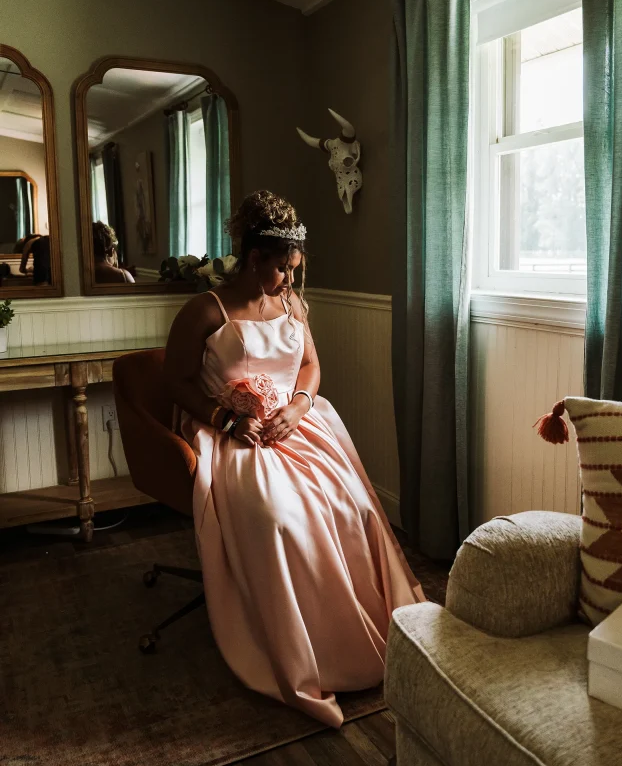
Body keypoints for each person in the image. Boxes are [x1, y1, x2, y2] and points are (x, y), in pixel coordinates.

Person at [164, 190, 427, 728]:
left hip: (294, 422)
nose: (290, 279)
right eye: (283, 269)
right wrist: (226, 418)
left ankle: (351, 635)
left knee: (351, 506)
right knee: (278, 518)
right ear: (255, 258)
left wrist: (301, 406)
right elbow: (176, 381)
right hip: (232, 430)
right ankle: (296, 647)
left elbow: (310, 365)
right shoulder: (203, 310)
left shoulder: (292, 305)